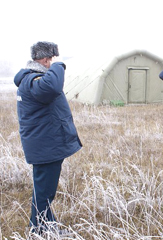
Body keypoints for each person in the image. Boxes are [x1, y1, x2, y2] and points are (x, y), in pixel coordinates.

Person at [13, 41, 82, 234]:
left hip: (45, 144)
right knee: (44, 192)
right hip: (45, 146)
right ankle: (39, 230)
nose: (53, 62)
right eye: (51, 59)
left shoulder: (30, 80)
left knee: (43, 190)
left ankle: (47, 226)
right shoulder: (34, 81)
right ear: (45, 60)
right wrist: (60, 65)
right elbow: (52, 87)